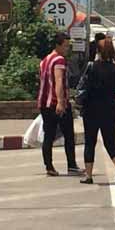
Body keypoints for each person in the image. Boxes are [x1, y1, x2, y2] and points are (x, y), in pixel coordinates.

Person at [80, 37, 115, 185]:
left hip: (91, 109)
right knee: (111, 142)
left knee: (90, 142)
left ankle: (88, 175)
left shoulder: (92, 66)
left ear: (98, 51)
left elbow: (83, 86)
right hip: (110, 109)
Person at [37, 32, 79, 176]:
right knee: (68, 135)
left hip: (44, 103)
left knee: (48, 135)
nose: (67, 48)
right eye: (65, 46)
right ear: (58, 45)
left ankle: (49, 166)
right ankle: (72, 165)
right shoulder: (59, 60)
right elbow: (59, 81)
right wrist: (61, 102)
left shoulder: (45, 60)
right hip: (57, 103)